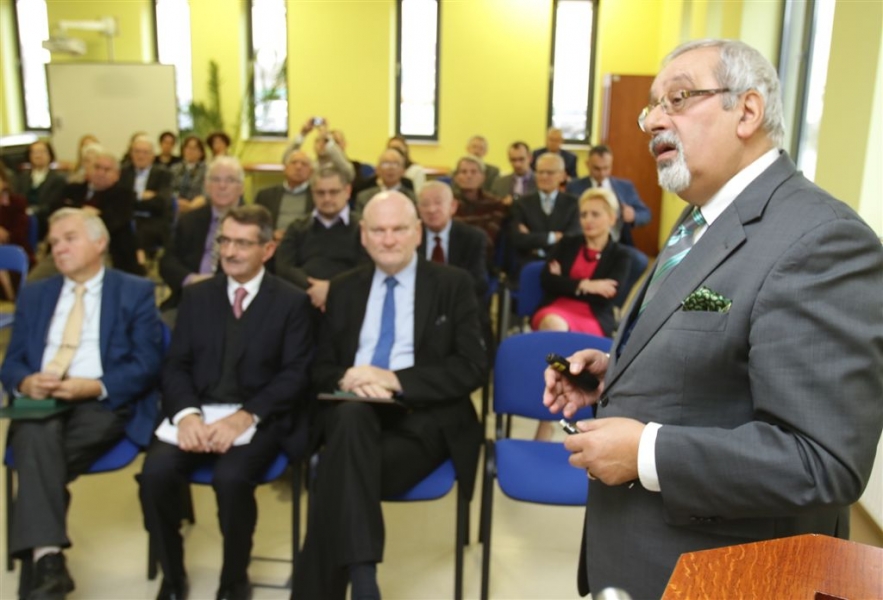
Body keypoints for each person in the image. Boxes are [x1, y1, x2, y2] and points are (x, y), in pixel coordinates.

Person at [542, 39, 883, 600]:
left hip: (721, 572)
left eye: (677, 99)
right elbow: (714, 346)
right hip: (640, 554)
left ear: (746, 111)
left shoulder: (821, 241)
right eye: (651, 106)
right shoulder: (700, 218)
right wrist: (615, 372)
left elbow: (821, 461)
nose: (655, 120)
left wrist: (646, 452)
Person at [292, 191, 488, 600]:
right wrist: (350, 378)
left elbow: (471, 367)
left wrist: (393, 379)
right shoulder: (344, 288)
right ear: (363, 236)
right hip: (354, 414)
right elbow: (320, 369)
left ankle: (344, 583)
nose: (388, 239)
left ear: (417, 232)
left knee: (336, 475)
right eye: (378, 230)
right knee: (350, 417)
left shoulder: (453, 284)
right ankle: (364, 580)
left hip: (424, 421)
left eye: (398, 229)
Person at [140, 205, 313, 600]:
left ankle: (234, 578)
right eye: (225, 241)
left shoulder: (291, 302)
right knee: (155, 475)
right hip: (198, 411)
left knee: (231, 479)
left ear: (267, 250)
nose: (230, 252)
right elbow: (176, 365)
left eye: (242, 244)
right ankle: (173, 575)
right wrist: (187, 416)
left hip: (257, 417)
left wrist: (245, 417)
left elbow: (296, 375)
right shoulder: (197, 296)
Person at [0, 208, 163, 600]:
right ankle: (49, 564)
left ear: (99, 242)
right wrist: (25, 381)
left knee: (35, 455)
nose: (59, 249)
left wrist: (94, 386)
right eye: (54, 242)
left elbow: (147, 363)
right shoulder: (37, 294)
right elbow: (12, 361)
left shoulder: (133, 291)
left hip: (101, 402)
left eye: (70, 239)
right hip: (43, 400)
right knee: (36, 433)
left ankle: (44, 563)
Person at [531, 188, 631, 338]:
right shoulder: (566, 244)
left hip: (595, 316)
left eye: (595, 214)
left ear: (612, 218)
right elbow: (547, 281)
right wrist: (586, 285)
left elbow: (607, 297)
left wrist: (565, 282)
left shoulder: (621, 255)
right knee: (554, 324)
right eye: (583, 215)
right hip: (557, 307)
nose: (587, 220)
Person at [567, 144, 651, 306]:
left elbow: (646, 214)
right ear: (587, 165)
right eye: (597, 169)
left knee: (640, 261)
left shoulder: (625, 187)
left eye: (606, 168)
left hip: (617, 243)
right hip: (586, 242)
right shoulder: (575, 187)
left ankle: (613, 305)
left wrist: (633, 215)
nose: (602, 173)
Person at [275, 165, 367, 312]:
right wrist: (315, 289)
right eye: (320, 193)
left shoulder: (363, 227)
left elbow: (366, 269)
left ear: (347, 191)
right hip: (303, 301)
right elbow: (284, 267)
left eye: (333, 192)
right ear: (312, 193)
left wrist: (331, 289)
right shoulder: (297, 228)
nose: (327, 198)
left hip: (349, 304)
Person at [160, 156, 245, 314]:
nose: (222, 186)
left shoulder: (253, 223)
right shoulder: (189, 220)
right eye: (216, 179)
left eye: (230, 180)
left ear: (241, 188)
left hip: (235, 304)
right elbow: (167, 262)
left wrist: (212, 285)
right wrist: (191, 279)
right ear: (206, 186)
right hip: (187, 298)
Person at [38, 149, 143, 278]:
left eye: (107, 170)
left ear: (116, 175)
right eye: (97, 167)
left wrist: (74, 212)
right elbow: (54, 211)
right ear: (89, 170)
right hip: (64, 248)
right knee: (33, 283)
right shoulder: (72, 189)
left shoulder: (124, 196)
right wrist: (84, 211)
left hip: (105, 252)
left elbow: (111, 222)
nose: (100, 173)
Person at [509, 153, 581, 272]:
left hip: (563, 266)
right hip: (527, 265)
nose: (544, 176)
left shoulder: (574, 204)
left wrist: (533, 239)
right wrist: (553, 237)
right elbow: (518, 239)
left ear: (562, 176)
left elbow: (573, 238)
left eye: (550, 172)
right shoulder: (521, 204)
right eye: (540, 172)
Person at [119, 135, 173, 260]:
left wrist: (133, 198)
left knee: (140, 231)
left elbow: (161, 203)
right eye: (137, 152)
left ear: (152, 156)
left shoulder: (164, 174)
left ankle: (140, 264)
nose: (140, 156)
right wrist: (140, 196)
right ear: (131, 154)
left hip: (153, 219)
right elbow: (121, 199)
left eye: (145, 152)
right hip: (127, 218)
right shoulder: (123, 172)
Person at [451, 156, 509, 257]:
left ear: (483, 177)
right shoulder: (448, 203)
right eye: (463, 172)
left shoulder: (495, 204)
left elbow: (488, 239)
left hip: (482, 256)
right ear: (456, 177)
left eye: (474, 172)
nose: (468, 176)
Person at [254, 149, 314, 241]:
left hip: (305, 243)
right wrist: (272, 234)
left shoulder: (318, 196)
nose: (298, 167)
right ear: (285, 168)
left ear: (311, 171)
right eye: (293, 163)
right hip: (273, 242)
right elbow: (255, 224)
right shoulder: (265, 195)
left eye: (304, 164)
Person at [13, 139, 66, 238]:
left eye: (42, 152)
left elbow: (53, 204)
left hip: (44, 219)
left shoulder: (58, 179)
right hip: (22, 217)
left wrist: (32, 211)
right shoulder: (22, 177)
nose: (38, 155)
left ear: (50, 155)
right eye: (34, 152)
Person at [0, 166, 34, 299]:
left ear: (4, 182)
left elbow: (19, 234)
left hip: (14, 250)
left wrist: (5, 235)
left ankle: (12, 300)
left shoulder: (17, 202)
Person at [169, 135, 208, 214]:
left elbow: (206, 193)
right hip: (175, 206)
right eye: (188, 148)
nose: (191, 151)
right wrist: (177, 202)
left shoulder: (207, 170)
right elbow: (169, 189)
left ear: (201, 152)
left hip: (197, 208)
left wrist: (190, 206)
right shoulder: (174, 169)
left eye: (195, 148)